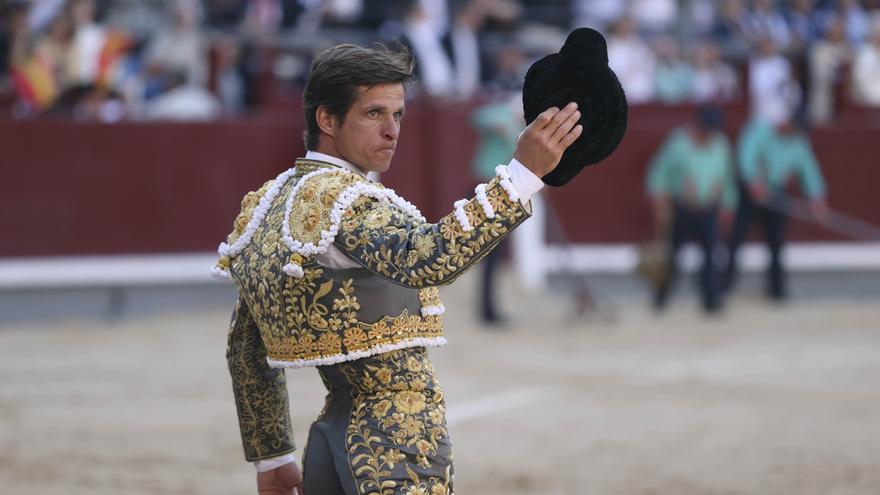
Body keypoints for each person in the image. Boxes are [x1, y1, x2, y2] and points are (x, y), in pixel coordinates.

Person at [215, 43, 582, 494]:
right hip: (396, 442)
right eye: (374, 114)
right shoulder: (345, 200)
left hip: (329, 438)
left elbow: (246, 345)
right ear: (326, 120)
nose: (392, 131)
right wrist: (523, 175)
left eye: (399, 115)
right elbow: (426, 257)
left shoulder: (266, 208)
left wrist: (272, 456)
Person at [723, 111, 828, 301]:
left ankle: (776, 289)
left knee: (776, 241)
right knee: (736, 237)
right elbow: (746, 156)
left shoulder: (799, 142)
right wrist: (753, 183)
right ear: (787, 122)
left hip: (775, 193)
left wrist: (816, 199)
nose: (797, 133)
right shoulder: (760, 130)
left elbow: (809, 170)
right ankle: (724, 285)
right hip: (748, 192)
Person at [645, 106, 737, 314]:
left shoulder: (721, 145)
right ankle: (661, 297)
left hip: (709, 209)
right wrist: (659, 198)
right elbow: (659, 172)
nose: (710, 134)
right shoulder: (678, 142)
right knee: (672, 255)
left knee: (711, 256)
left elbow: (727, 179)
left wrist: (728, 206)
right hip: (682, 208)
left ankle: (711, 300)